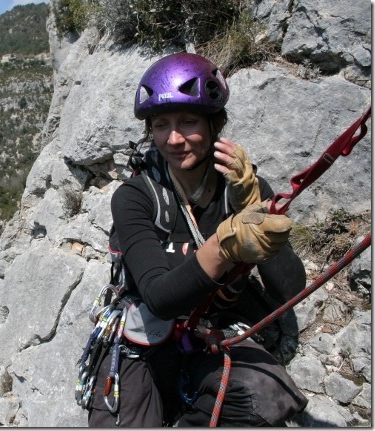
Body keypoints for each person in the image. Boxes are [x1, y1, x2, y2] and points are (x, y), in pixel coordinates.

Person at [86, 53, 308, 427]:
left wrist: (254, 208)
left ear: (213, 124)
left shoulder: (241, 191)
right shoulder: (137, 196)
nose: (174, 139)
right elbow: (158, 296)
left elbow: (289, 288)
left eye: (188, 121)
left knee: (267, 394)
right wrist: (224, 244)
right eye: (160, 125)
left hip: (214, 328)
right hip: (144, 335)